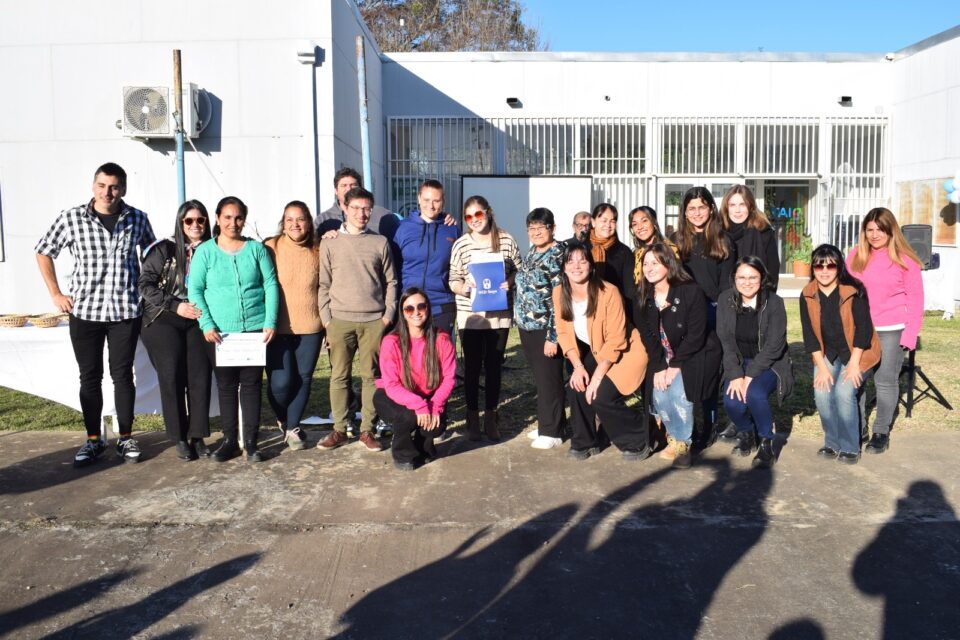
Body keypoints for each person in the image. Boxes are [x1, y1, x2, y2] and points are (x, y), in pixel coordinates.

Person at [35, 162, 156, 467]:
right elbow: (43, 250)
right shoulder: (72, 218)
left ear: (123, 189)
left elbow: (153, 257)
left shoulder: (138, 219)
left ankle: (126, 437)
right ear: (93, 186)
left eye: (114, 187)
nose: (107, 192)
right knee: (90, 377)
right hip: (85, 312)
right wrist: (56, 293)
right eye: (102, 186)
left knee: (123, 375)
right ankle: (93, 440)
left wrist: (149, 293)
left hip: (125, 311)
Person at [189, 196, 279, 463]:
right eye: (227, 217)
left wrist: (270, 321)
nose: (233, 223)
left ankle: (250, 442)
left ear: (244, 219)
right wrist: (206, 324)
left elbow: (270, 284)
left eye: (238, 217)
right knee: (226, 386)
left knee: (251, 385)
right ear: (218, 218)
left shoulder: (256, 250)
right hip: (219, 333)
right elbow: (195, 290)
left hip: (254, 330)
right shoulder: (205, 252)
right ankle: (230, 440)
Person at [317, 186, 398, 452]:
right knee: (339, 376)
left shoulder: (380, 242)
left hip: (374, 321)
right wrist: (327, 321)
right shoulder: (330, 242)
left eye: (366, 209)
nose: (361, 214)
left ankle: (367, 430)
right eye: (356, 208)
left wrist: (387, 316)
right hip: (339, 321)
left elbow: (391, 282)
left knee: (370, 377)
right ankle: (340, 429)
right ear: (344, 208)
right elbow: (323, 284)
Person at [553, 241, 650, 461]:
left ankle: (640, 436)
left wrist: (597, 378)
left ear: (591, 265)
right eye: (570, 261)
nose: (576, 266)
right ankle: (586, 441)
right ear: (564, 267)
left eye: (582, 261)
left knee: (600, 395)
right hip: (598, 350)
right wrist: (578, 367)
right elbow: (564, 333)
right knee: (576, 386)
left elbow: (617, 339)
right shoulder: (559, 293)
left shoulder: (608, 292)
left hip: (627, 351)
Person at [635, 243, 721, 469]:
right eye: (646, 264)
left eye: (655, 263)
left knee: (679, 393)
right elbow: (648, 336)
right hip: (664, 355)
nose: (649, 268)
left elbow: (696, 334)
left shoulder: (690, 291)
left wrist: (674, 365)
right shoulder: (643, 296)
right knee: (659, 393)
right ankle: (674, 437)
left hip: (695, 352)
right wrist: (659, 366)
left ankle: (684, 444)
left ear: (668, 264)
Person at [138, 200, 213, 461]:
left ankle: (198, 436)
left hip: (199, 318)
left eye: (200, 220)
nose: (195, 225)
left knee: (200, 376)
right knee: (171, 375)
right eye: (189, 220)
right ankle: (179, 436)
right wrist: (175, 305)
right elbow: (145, 284)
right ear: (180, 223)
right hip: (164, 316)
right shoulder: (164, 249)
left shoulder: (214, 249)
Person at [846, 207, 924, 454]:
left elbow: (916, 299)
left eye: (880, 229)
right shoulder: (855, 256)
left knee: (885, 381)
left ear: (891, 231)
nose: (874, 234)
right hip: (861, 330)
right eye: (869, 229)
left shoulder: (905, 260)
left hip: (892, 329)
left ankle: (880, 432)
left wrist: (910, 334)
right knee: (856, 380)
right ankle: (858, 428)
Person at [799, 244, 881, 465]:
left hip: (858, 352)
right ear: (813, 268)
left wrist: (854, 365)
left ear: (839, 267)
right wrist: (822, 367)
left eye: (831, 266)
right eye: (819, 266)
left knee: (844, 393)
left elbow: (864, 330)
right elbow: (809, 335)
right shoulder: (807, 294)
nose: (824, 271)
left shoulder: (854, 290)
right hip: (827, 353)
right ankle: (832, 442)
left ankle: (850, 446)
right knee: (822, 393)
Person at [449, 195, 521, 441]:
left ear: (488, 212)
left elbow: (519, 270)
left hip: (498, 315)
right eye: (468, 216)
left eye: (478, 214)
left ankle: (491, 415)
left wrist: (508, 282)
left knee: (493, 367)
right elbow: (453, 278)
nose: (474, 220)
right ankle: (472, 416)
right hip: (470, 315)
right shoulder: (461, 244)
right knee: (471, 367)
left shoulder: (506, 240)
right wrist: (463, 287)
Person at [716, 256, 793, 468]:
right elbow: (725, 341)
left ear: (762, 278)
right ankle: (746, 432)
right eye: (741, 277)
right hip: (738, 361)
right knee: (732, 402)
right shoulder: (725, 300)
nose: (747, 282)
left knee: (754, 394)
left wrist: (749, 375)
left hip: (769, 363)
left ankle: (767, 440)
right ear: (734, 278)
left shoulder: (774, 302)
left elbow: (775, 345)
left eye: (753, 277)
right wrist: (736, 375)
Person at [672, 186, 735, 445]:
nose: (697, 213)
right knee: (684, 371)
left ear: (711, 209)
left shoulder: (723, 240)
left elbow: (727, 287)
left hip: (712, 312)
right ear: (685, 213)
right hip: (683, 314)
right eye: (691, 209)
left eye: (701, 207)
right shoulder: (676, 241)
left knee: (708, 372)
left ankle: (709, 425)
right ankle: (683, 425)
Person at [374, 287, 457, 471]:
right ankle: (402, 452)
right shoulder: (391, 341)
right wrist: (419, 406)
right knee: (409, 416)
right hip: (392, 395)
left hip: (428, 396)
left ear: (428, 308)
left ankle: (423, 446)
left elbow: (449, 379)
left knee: (435, 425)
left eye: (421, 306)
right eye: (409, 308)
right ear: (403, 313)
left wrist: (435, 406)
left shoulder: (442, 339)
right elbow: (392, 385)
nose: (416, 312)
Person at [263, 201, 323, 451]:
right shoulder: (270, 247)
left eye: (300, 219)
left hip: (311, 327)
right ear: (283, 222)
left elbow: (326, 288)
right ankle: (284, 419)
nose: (295, 224)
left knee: (303, 378)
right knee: (280, 382)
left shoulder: (319, 249)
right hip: (276, 328)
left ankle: (293, 427)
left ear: (308, 222)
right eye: (289, 219)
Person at [514, 208, 567, 450]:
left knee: (550, 378)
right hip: (527, 326)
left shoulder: (558, 255)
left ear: (552, 228)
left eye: (541, 227)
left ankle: (552, 431)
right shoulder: (533, 252)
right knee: (541, 378)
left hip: (546, 328)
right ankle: (549, 422)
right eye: (531, 228)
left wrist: (553, 336)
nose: (536, 232)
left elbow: (560, 300)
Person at [391, 179, 459, 336]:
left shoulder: (452, 230)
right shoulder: (402, 228)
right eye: (427, 200)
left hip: (441, 305)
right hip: (410, 304)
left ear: (443, 201)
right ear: (419, 199)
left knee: (440, 350)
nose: (431, 205)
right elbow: (392, 267)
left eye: (436, 200)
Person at [719, 185, 780, 289]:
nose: (737, 210)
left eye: (742, 205)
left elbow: (773, 270)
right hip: (724, 295)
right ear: (726, 208)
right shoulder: (718, 233)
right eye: (732, 205)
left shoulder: (763, 232)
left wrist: (765, 295)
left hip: (758, 294)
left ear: (750, 206)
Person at [314, 167, 400, 239]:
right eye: (344, 185)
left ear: (361, 188)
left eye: (353, 185)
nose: (349, 189)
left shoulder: (382, 215)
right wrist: (324, 240)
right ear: (336, 191)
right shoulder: (323, 220)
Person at [588, 203, 637, 318]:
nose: (608, 225)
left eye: (612, 221)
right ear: (593, 222)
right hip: (586, 310)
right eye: (604, 220)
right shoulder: (582, 249)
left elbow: (629, 290)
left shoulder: (624, 252)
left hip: (614, 311)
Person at [629, 205, 678, 284]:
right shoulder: (636, 253)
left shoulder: (669, 248)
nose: (639, 227)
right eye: (634, 224)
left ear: (654, 222)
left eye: (644, 221)